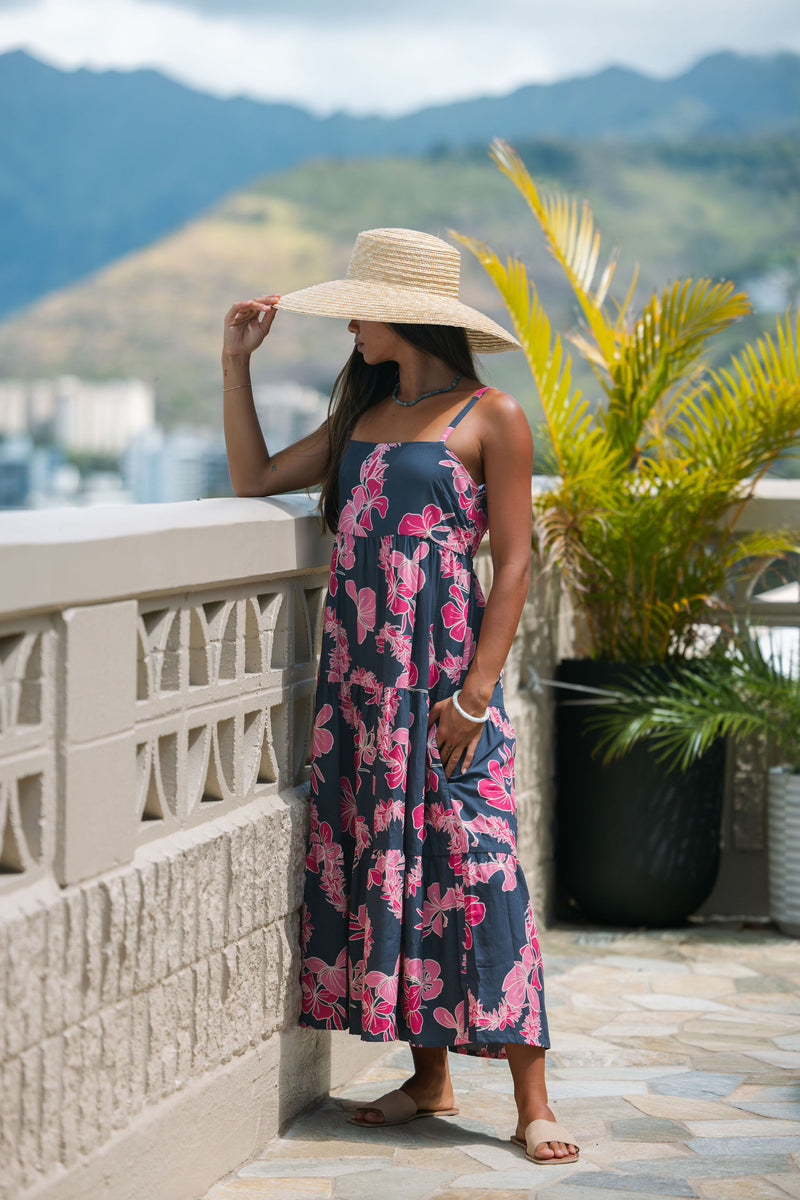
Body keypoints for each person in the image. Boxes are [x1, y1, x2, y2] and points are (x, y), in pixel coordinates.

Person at [221, 227, 579, 1166]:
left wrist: (475, 694)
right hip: (360, 689)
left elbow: (514, 564)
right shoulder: (364, 414)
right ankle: (430, 1077)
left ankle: (533, 1098)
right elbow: (253, 479)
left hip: (448, 688)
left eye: (358, 303)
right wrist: (235, 366)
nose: (347, 318)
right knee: (397, 865)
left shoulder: (492, 415)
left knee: (481, 866)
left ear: (405, 314)